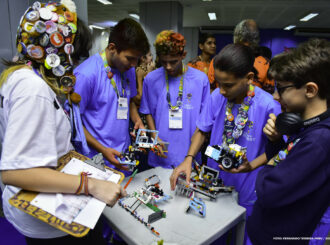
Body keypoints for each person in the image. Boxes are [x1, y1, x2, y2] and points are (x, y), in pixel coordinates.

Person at [0, 1, 125, 244]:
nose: (75, 65)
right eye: (74, 56)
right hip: (49, 219)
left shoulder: (18, 76)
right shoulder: (32, 88)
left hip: (43, 206)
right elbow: (15, 172)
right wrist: (92, 185)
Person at [170, 43, 281, 244]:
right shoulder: (217, 96)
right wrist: (188, 158)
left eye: (228, 85)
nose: (221, 90)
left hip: (247, 191)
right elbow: (202, 130)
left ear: (248, 78)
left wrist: (251, 166)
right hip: (213, 186)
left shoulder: (268, 106)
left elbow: (279, 151)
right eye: (219, 83)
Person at [247, 38, 330, 245]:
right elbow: (287, 164)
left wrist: (268, 166)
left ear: (310, 90)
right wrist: (275, 142)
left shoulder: (318, 141)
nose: (275, 96)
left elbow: (268, 191)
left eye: (282, 89)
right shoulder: (306, 127)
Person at [74, 18, 150, 171]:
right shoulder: (86, 75)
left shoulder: (128, 69)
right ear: (112, 48)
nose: (134, 64)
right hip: (96, 161)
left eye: (137, 59)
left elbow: (128, 101)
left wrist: (136, 120)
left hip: (123, 156)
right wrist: (103, 150)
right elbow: (75, 124)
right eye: (130, 58)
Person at [139, 30, 210, 168]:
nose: (168, 67)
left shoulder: (200, 80)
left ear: (183, 55)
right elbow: (147, 111)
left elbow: (204, 121)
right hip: (160, 155)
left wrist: (192, 153)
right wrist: (154, 137)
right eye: (164, 62)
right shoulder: (151, 79)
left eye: (173, 61)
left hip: (189, 156)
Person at [208, 19, 275, 94]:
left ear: (236, 38)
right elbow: (269, 93)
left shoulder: (218, 60)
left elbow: (211, 89)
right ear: (256, 40)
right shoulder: (265, 64)